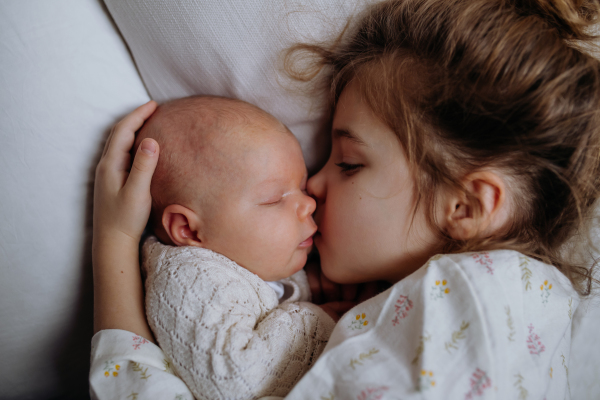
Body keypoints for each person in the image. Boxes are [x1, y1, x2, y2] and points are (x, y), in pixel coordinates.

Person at [90, 0, 600, 399]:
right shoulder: (523, 306)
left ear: (464, 208)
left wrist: (114, 244)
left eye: (350, 163)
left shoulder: (473, 300)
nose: (312, 184)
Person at [135, 95, 349, 400]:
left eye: (301, 187)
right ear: (188, 229)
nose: (310, 203)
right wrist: (318, 319)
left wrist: (306, 285)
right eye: (274, 198)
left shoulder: (244, 256)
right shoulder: (188, 280)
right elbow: (235, 380)